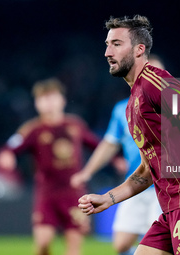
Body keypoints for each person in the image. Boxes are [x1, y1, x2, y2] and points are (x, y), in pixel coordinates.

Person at [78, 15, 180, 255]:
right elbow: (147, 171)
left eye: (116, 44)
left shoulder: (155, 81)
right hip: (172, 206)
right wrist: (109, 198)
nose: (107, 52)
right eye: (107, 44)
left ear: (139, 49)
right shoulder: (131, 104)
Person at [71, 55, 164, 255]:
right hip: (136, 180)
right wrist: (87, 172)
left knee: (156, 243)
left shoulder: (173, 107)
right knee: (121, 244)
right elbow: (109, 144)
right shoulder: (124, 109)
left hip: (164, 186)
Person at [0, 78, 99, 255]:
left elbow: (97, 146)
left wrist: (116, 159)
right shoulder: (32, 129)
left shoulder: (75, 125)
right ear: (37, 103)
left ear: (62, 100)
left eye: (51, 97)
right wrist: (7, 154)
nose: (48, 103)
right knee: (43, 243)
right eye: (43, 99)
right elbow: (12, 146)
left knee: (74, 247)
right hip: (46, 194)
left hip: (73, 192)